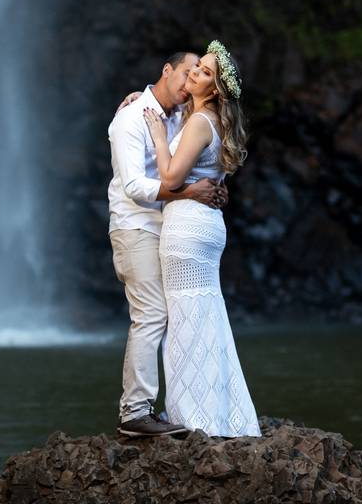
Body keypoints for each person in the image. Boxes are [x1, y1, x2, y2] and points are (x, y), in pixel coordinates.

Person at [142, 40, 261, 437]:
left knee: (184, 320)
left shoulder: (197, 122)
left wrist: (159, 138)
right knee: (206, 315)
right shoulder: (213, 121)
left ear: (215, 89)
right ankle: (223, 410)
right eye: (196, 67)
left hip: (187, 228)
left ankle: (195, 416)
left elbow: (172, 179)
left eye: (205, 72)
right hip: (207, 227)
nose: (194, 72)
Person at [107, 51, 229, 437]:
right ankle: (134, 412)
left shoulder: (180, 114)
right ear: (166, 70)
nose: (190, 80)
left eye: (198, 73)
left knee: (176, 315)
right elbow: (134, 187)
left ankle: (181, 404)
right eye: (186, 73)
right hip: (135, 227)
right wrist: (189, 193)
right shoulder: (131, 118)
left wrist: (211, 188)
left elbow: (200, 153)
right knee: (152, 314)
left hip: (170, 230)